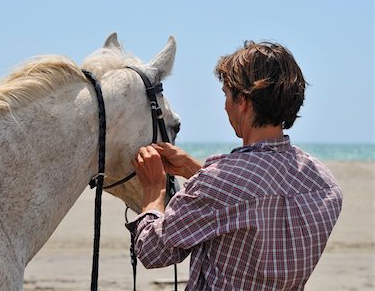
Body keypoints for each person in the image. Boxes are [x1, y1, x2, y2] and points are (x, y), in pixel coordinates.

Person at [127, 41, 343, 290]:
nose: (225, 105)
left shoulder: (218, 184)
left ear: (243, 100)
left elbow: (153, 251)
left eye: (227, 95)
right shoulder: (325, 185)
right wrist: (193, 170)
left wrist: (154, 190)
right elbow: (254, 201)